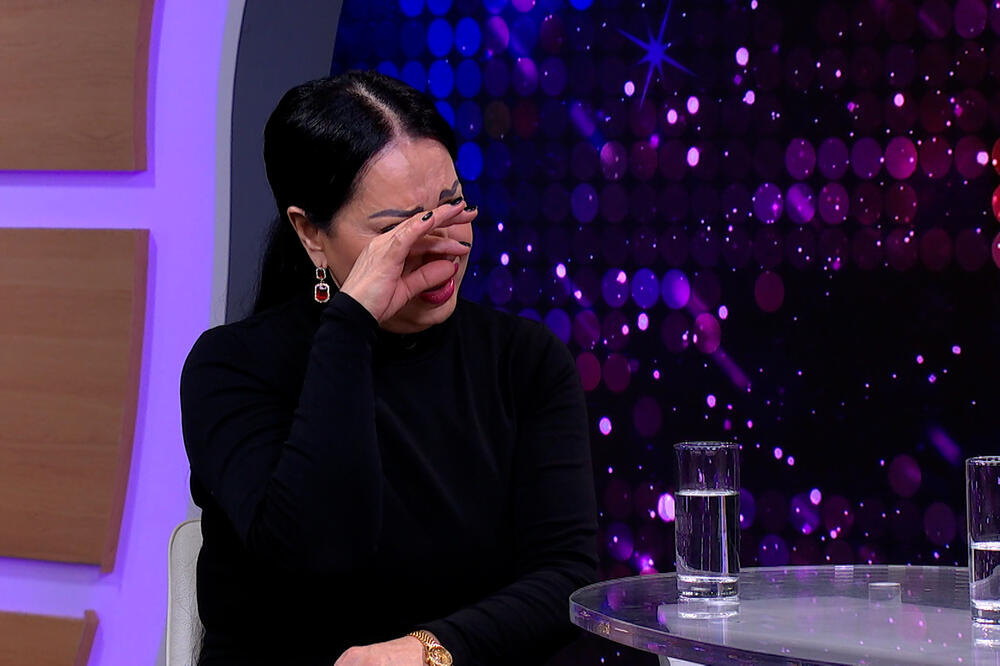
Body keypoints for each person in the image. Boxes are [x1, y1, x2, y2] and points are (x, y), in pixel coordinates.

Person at [180, 70, 598, 665]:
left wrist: (429, 651)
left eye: (452, 206)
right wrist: (351, 322)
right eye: (399, 228)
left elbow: (566, 579)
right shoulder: (232, 367)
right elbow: (316, 550)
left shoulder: (523, 360)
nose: (444, 246)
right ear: (310, 233)